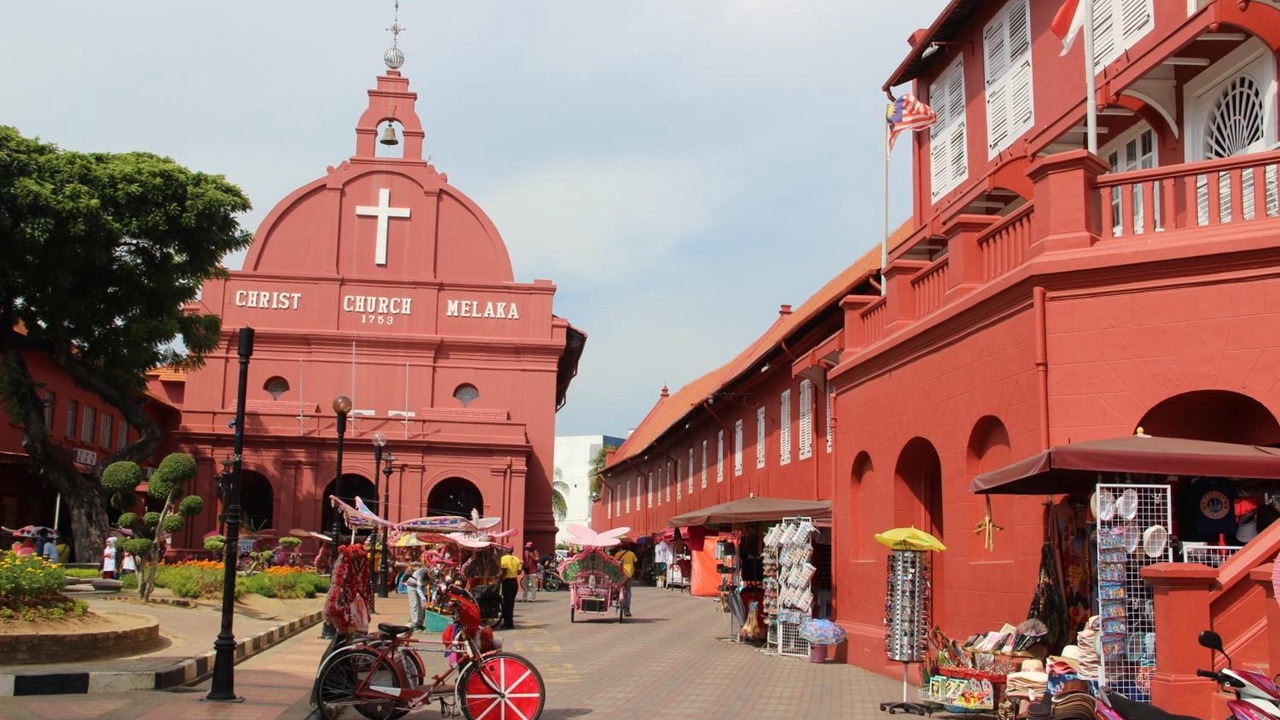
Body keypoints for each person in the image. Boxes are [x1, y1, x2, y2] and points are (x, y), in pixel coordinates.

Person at [498, 544, 521, 629]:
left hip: (507, 582)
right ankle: (509, 622)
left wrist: (499, 580)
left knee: (506, 604)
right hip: (514, 582)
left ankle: (508, 623)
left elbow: (504, 571)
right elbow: (519, 572)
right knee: (511, 604)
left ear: (505, 550)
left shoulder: (503, 558)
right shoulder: (516, 559)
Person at [613, 539, 638, 617]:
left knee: (617, 587)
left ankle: (616, 594)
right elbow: (635, 562)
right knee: (628, 592)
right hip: (628, 576)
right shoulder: (632, 554)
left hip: (619, 575)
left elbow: (614, 563)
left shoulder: (617, 554)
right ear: (629, 547)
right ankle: (627, 610)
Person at [404, 564, 429, 630]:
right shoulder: (422, 573)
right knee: (414, 604)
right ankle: (414, 623)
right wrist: (424, 598)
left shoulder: (433, 577)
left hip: (421, 586)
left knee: (422, 606)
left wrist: (434, 599)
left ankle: (420, 623)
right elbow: (419, 588)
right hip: (412, 585)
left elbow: (434, 587)